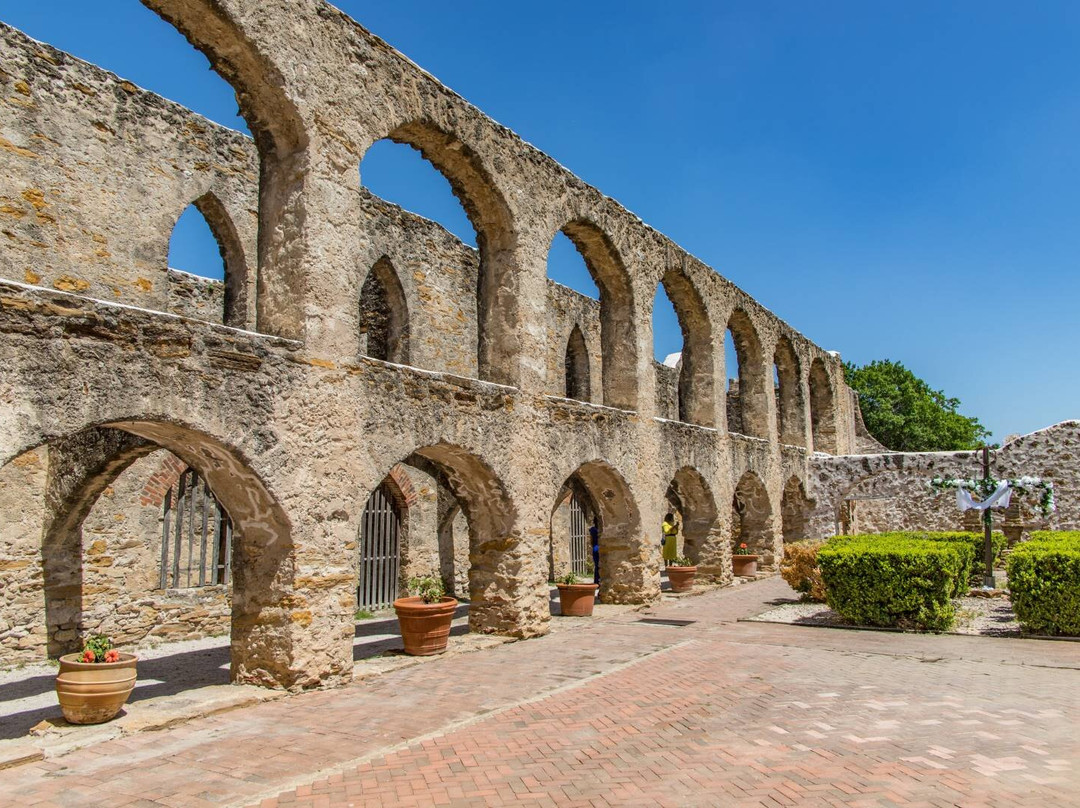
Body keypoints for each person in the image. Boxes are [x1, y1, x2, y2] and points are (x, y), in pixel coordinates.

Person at [589, 519, 600, 586]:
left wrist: (593, 545)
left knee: (596, 565)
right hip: (600, 546)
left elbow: (591, 540)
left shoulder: (592, 530)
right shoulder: (600, 530)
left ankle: (596, 581)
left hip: (595, 547)